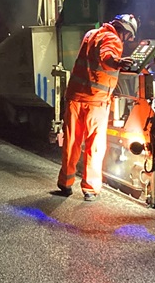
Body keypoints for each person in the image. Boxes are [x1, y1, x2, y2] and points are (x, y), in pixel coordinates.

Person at [56, 14, 139, 201]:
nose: (128, 40)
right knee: (95, 145)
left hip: (76, 97)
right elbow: (106, 56)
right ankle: (90, 188)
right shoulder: (112, 39)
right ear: (124, 32)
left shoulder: (91, 34)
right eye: (129, 36)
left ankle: (65, 183)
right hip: (95, 102)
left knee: (72, 142)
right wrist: (118, 62)